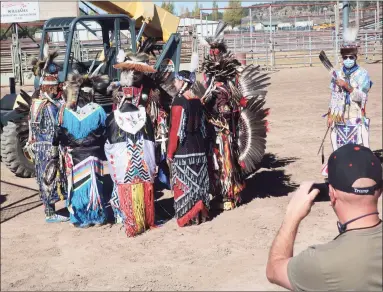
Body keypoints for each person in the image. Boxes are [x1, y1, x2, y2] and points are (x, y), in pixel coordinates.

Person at [266, 144, 382, 291]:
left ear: (331, 194)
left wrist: (292, 215)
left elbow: (274, 269)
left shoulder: (320, 262)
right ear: (380, 190)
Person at [200, 20, 270, 211]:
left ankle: (230, 194)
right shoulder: (209, 77)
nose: (213, 53)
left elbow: (234, 102)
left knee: (226, 160)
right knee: (215, 161)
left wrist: (224, 108)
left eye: (216, 49)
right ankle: (220, 192)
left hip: (226, 128)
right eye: (211, 49)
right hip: (213, 126)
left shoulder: (230, 76)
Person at [104, 48, 157, 237]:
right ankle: (138, 214)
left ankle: (123, 214)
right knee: (139, 177)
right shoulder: (141, 95)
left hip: (125, 138)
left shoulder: (136, 93)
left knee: (124, 177)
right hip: (139, 135)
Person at [52, 72, 110, 228]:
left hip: (74, 155)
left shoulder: (65, 111)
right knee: (95, 185)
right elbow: (104, 132)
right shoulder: (98, 110)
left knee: (76, 186)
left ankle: (80, 217)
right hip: (94, 155)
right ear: (91, 92)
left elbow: (59, 134)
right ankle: (96, 215)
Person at [25, 48, 68, 223]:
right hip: (49, 149)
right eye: (56, 86)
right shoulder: (49, 106)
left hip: (39, 147)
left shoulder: (36, 103)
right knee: (50, 179)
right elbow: (54, 130)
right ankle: (50, 214)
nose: (59, 88)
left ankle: (49, 211)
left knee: (45, 179)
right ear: (50, 86)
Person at [167, 55, 210, 226]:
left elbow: (175, 131)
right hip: (199, 148)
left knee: (186, 186)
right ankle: (200, 215)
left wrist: (170, 152)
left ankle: (189, 217)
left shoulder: (179, 102)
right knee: (198, 185)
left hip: (184, 150)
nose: (175, 83)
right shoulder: (198, 101)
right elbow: (203, 128)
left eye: (177, 80)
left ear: (184, 82)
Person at [322, 28, 372, 176]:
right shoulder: (338, 74)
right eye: (345, 57)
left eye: (351, 57)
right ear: (342, 58)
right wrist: (331, 114)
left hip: (356, 113)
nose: (348, 60)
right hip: (340, 114)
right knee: (337, 140)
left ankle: (363, 170)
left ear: (355, 57)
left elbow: (362, 97)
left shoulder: (363, 74)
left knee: (361, 141)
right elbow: (334, 95)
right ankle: (340, 168)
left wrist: (347, 86)